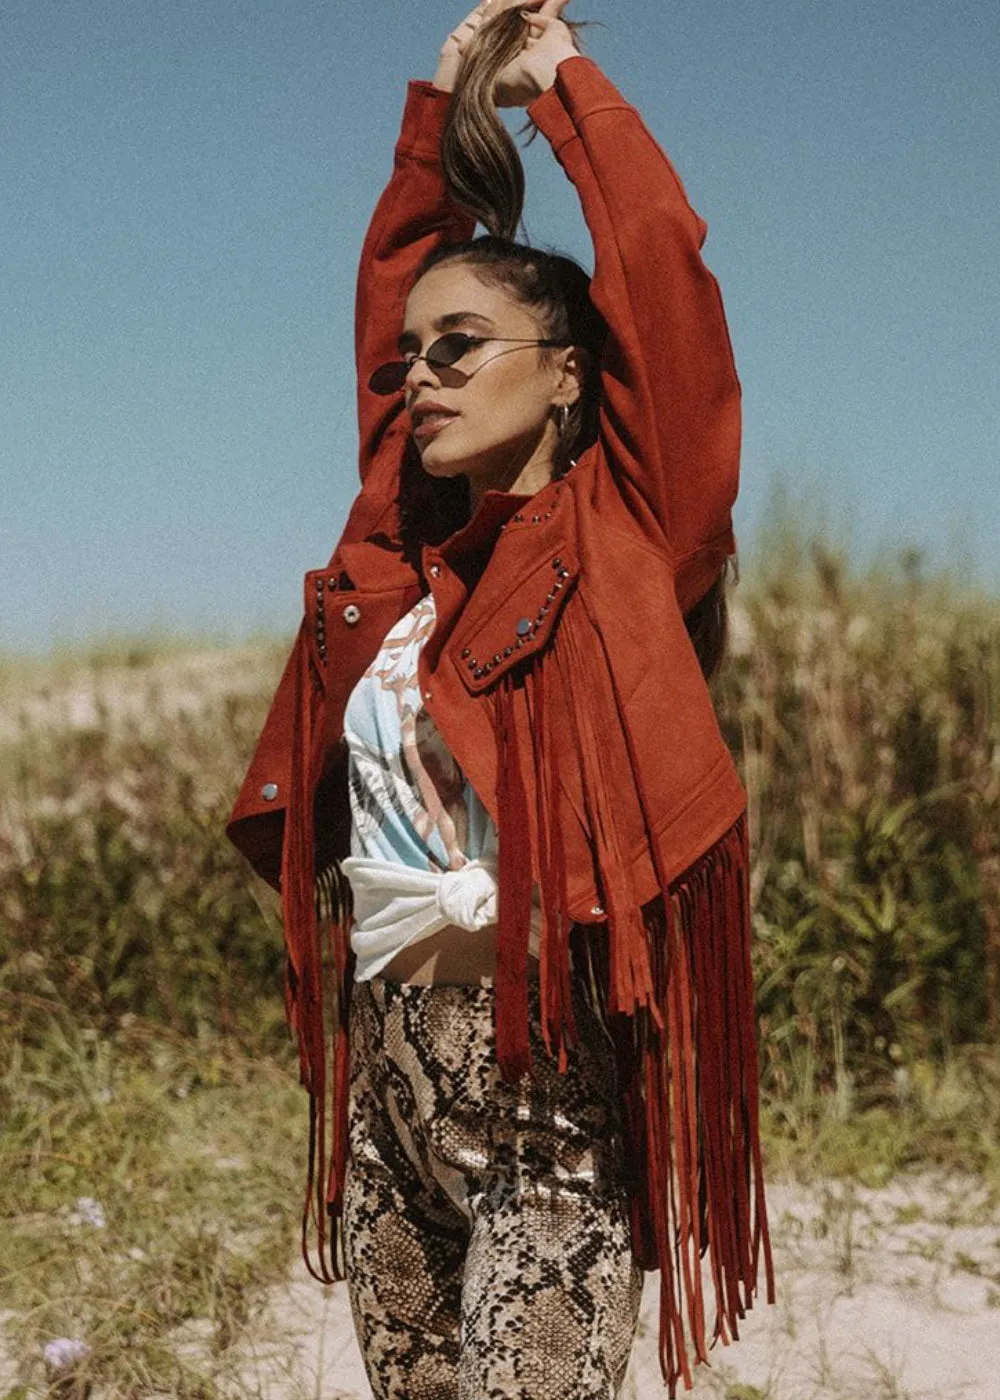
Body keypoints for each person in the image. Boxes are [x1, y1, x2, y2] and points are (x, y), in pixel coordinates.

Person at [226, 2, 775, 1395]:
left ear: (571, 374)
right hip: (387, 1078)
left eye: (460, 349)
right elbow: (391, 289)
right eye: (411, 361)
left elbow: (655, 270)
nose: (421, 380)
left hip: (544, 1083)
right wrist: (441, 113)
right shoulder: (400, 548)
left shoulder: (631, 535)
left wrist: (561, 89)